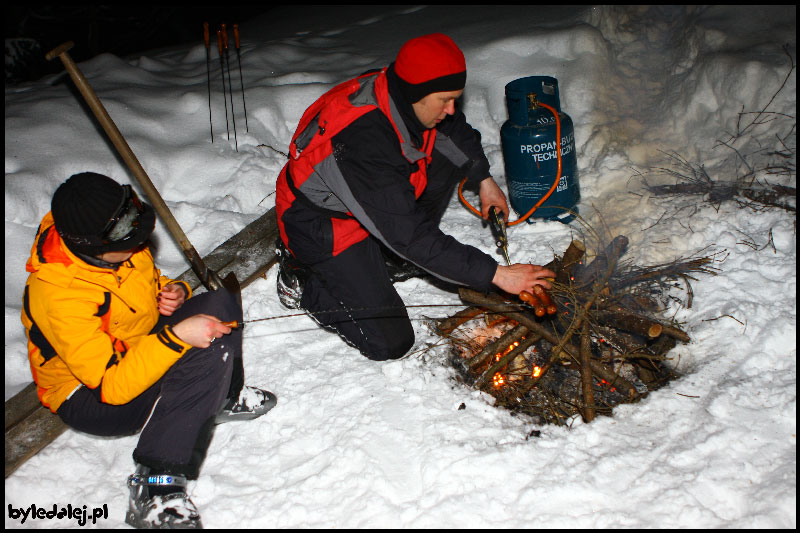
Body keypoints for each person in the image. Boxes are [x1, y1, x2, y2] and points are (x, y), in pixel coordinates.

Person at [275, 33, 554, 361]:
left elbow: (455, 132)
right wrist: (498, 274)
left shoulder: (402, 93)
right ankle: (302, 283)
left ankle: (389, 260)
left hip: (374, 203)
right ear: (414, 93)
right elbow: (410, 235)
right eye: (445, 100)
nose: (452, 110)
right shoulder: (364, 143)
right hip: (323, 228)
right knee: (390, 342)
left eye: (456, 99)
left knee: (447, 152)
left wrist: (484, 181)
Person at [21, 172, 277, 529]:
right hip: (92, 398)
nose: (139, 242)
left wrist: (173, 293)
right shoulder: (60, 296)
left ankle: (221, 397)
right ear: (91, 246)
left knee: (219, 304)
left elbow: (149, 281)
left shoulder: (117, 246)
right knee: (204, 349)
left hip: (133, 346)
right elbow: (111, 387)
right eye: (129, 239)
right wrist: (176, 338)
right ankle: (155, 483)